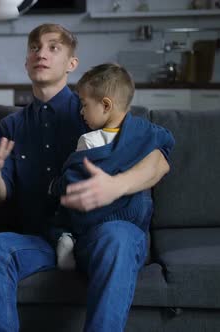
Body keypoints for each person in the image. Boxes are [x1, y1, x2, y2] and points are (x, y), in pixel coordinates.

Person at [0, 23, 173, 332]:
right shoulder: (10, 126)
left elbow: (160, 157)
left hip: (100, 235)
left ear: (71, 64)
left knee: (119, 236)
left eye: (53, 47)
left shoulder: (97, 108)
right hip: (43, 238)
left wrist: (115, 186)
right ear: (26, 62)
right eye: (34, 48)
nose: (41, 54)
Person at [46, 63, 175, 271]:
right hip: (132, 220)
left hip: (94, 220)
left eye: (84, 105)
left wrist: (55, 185)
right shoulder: (147, 133)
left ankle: (66, 237)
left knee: (60, 213)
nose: (81, 112)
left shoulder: (89, 141)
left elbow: (73, 177)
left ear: (106, 105)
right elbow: (168, 142)